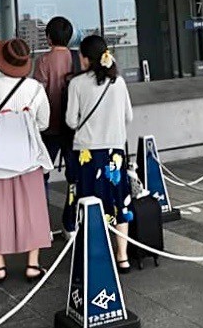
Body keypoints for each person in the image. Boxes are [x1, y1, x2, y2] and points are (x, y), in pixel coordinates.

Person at [0, 38, 52, 283]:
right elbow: (44, 123)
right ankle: (32, 265)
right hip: (28, 157)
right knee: (33, 210)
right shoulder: (35, 88)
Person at [65, 35, 134, 274]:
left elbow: (70, 120)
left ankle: (91, 251)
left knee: (88, 200)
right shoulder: (119, 82)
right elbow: (129, 117)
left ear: (84, 58)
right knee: (117, 200)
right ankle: (122, 256)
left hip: (86, 153)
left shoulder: (77, 84)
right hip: (115, 151)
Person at [33, 17, 78, 181]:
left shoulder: (43, 61)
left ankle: (40, 204)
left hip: (50, 124)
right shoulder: (77, 58)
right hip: (72, 125)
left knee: (42, 171)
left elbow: (37, 93)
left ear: (49, 37)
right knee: (74, 172)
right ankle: (74, 205)